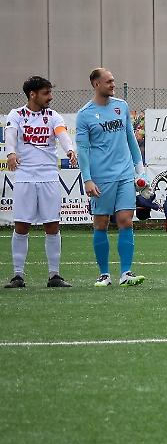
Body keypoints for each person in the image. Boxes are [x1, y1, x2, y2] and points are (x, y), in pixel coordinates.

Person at [3, 75, 77, 289]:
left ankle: (54, 275)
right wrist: (11, 153)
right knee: (21, 225)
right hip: (25, 177)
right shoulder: (16, 114)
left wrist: (69, 149)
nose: (50, 97)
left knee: (52, 225)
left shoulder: (53, 116)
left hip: (49, 177)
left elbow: (61, 134)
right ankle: (17, 275)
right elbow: (10, 134)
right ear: (32, 94)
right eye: (46, 93)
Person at [74, 68, 146, 286]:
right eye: (109, 81)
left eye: (113, 81)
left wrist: (139, 168)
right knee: (101, 223)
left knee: (125, 220)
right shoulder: (84, 114)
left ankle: (126, 273)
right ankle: (104, 274)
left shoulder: (121, 106)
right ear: (96, 84)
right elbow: (83, 149)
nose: (113, 84)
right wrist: (87, 179)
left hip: (124, 173)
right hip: (101, 177)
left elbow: (131, 139)